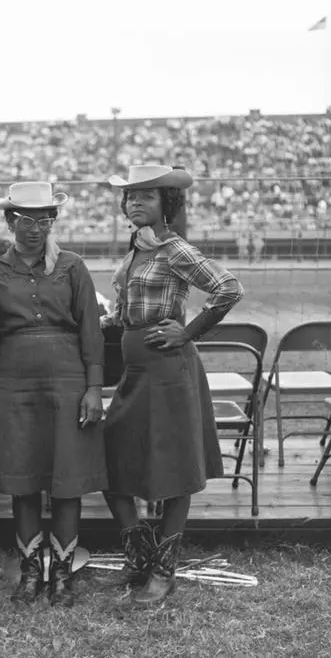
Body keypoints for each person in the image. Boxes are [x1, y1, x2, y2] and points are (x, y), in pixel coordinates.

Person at [102, 165, 244, 605]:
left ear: (167, 203)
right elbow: (130, 312)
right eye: (130, 197)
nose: (135, 203)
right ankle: (139, 554)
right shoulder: (136, 251)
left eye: (145, 196)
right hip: (136, 372)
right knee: (110, 459)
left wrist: (189, 331)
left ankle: (164, 570)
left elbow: (228, 287)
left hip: (169, 371)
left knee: (174, 469)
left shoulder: (173, 248)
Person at [0, 182, 106, 607]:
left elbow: (91, 329)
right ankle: (30, 572)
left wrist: (93, 388)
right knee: (24, 480)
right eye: (25, 219)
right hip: (14, 382)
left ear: (53, 221)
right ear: (10, 221)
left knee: (66, 481)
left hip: (68, 380)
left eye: (44, 219)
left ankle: (64, 576)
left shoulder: (72, 266)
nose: (35, 228)